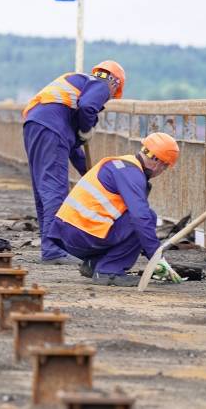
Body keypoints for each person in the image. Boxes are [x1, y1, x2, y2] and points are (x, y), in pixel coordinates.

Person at [46, 132, 183, 287]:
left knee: (137, 221)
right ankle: (109, 271)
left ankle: (95, 264)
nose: (162, 172)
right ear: (158, 162)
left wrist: (149, 251)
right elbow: (140, 218)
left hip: (67, 233)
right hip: (84, 234)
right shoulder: (132, 174)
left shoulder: (122, 165)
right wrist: (157, 257)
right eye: (165, 167)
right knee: (146, 218)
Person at [22, 60, 126, 264]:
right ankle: (53, 249)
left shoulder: (78, 86)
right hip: (50, 128)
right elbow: (88, 107)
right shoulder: (101, 83)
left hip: (36, 125)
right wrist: (87, 128)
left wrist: (90, 175)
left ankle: (49, 246)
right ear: (115, 83)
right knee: (54, 189)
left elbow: (73, 149)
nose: (108, 97)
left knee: (43, 190)